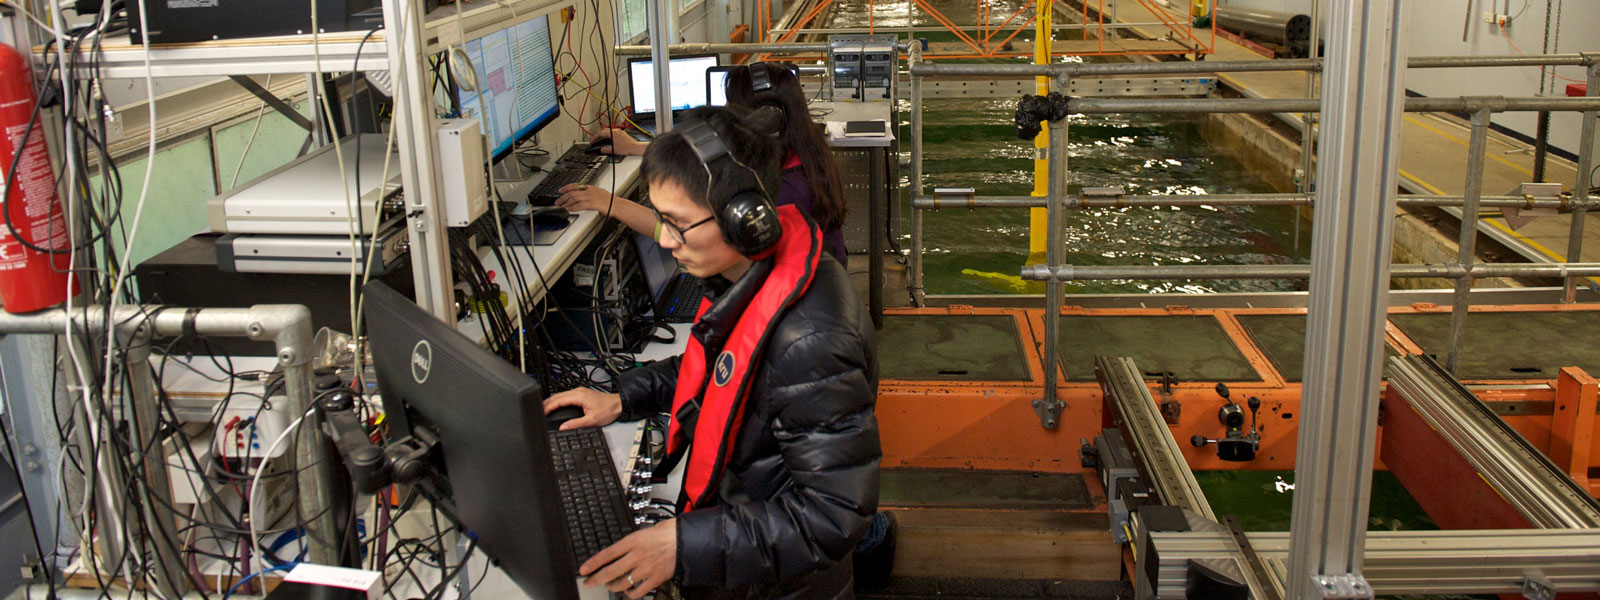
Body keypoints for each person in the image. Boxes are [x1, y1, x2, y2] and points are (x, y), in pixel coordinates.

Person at [541, 106, 881, 599]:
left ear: (746, 221)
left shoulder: (810, 340)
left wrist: (682, 545)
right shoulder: (757, 277)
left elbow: (831, 517)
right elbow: (723, 368)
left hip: (780, 586)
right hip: (747, 559)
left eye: (678, 224)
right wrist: (623, 398)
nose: (669, 241)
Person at [556, 62, 850, 263]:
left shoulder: (778, 194)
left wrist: (612, 204)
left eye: (731, 107)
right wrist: (638, 148)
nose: (725, 114)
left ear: (764, 122)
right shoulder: (801, 153)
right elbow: (714, 157)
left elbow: (685, 238)